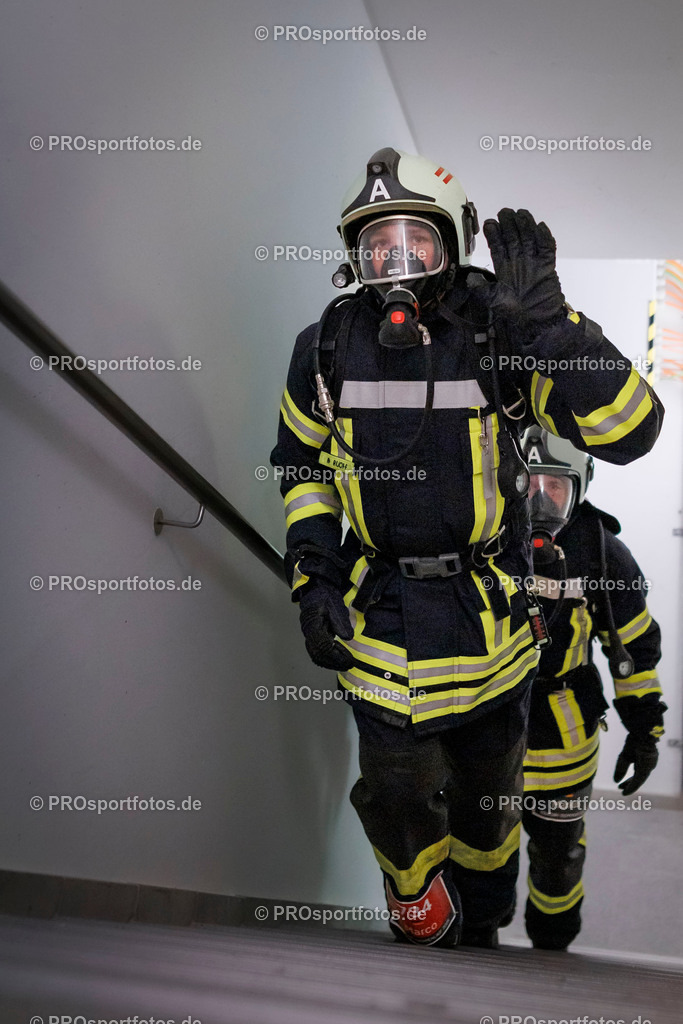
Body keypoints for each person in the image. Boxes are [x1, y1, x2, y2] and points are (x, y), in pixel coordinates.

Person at [270, 147, 663, 948]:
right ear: (353, 255)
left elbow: (631, 431)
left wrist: (553, 329)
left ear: (452, 242)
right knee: (397, 796)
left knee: (488, 814)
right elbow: (301, 470)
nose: (396, 263)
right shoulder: (325, 347)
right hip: (382, 616)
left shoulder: (499, 332)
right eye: (377, 245)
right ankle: (418, 917)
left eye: (415, 241)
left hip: (492, 626)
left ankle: (480, 926)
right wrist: (313, 577)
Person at [519, 425, 666, 951]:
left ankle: (552, 944)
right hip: (487, 729)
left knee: (558, 857)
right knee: (479, 851)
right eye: (530, 483)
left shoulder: (602, 554)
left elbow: (634, 650)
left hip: (566, 738)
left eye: (556, 485)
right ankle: (475, 942)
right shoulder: (484, 541)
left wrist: (645, 731)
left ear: (579, 486)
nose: (541, 499)